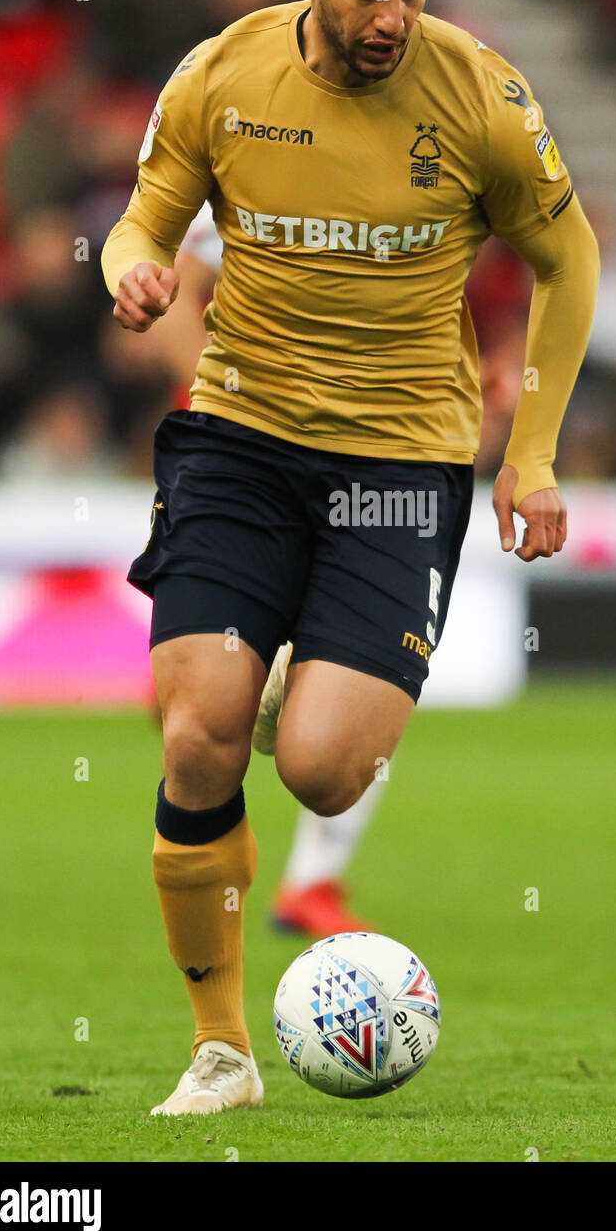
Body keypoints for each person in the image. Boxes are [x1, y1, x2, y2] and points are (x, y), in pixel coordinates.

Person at [101, 0, 599, 1116]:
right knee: (197, 734)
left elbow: (566, 253)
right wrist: (139, 274)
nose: (391, 15)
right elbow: (136, 227)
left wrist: (530, 450)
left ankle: (297, 692)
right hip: (240, 442)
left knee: (321, 772)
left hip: (397, 460)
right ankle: (221, 1053)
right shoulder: (221, 75)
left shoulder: (478, 91)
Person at [153, 199, 384, 938]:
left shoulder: (397, 164)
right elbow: (171, 290)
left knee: (366, 671)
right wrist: (224, 409)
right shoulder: (252, 155)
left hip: (360, 461)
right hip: (237, 469)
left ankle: (312, 880)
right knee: (202, 712)